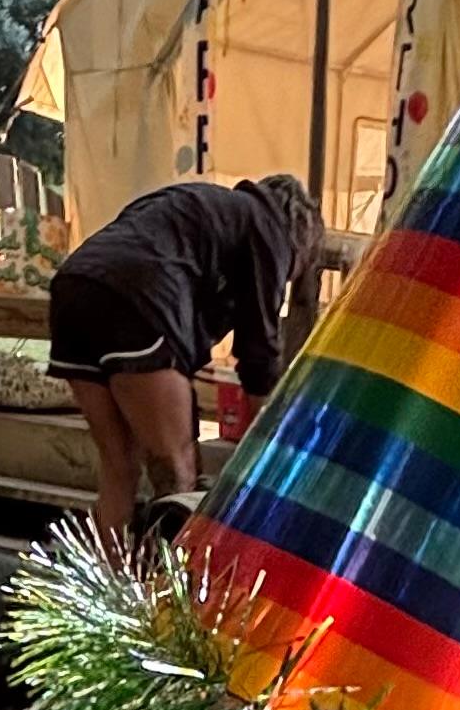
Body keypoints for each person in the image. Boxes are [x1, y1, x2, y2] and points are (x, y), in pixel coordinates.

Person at [46, 173, 324, 546]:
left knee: (119, 468)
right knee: (178, 471)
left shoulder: (206, 206)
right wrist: (272, 445)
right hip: (138, 297)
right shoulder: (268, 228)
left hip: (73, 288)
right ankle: (173, 596)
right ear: (300, 238)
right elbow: (258, 351)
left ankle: (107, 586)